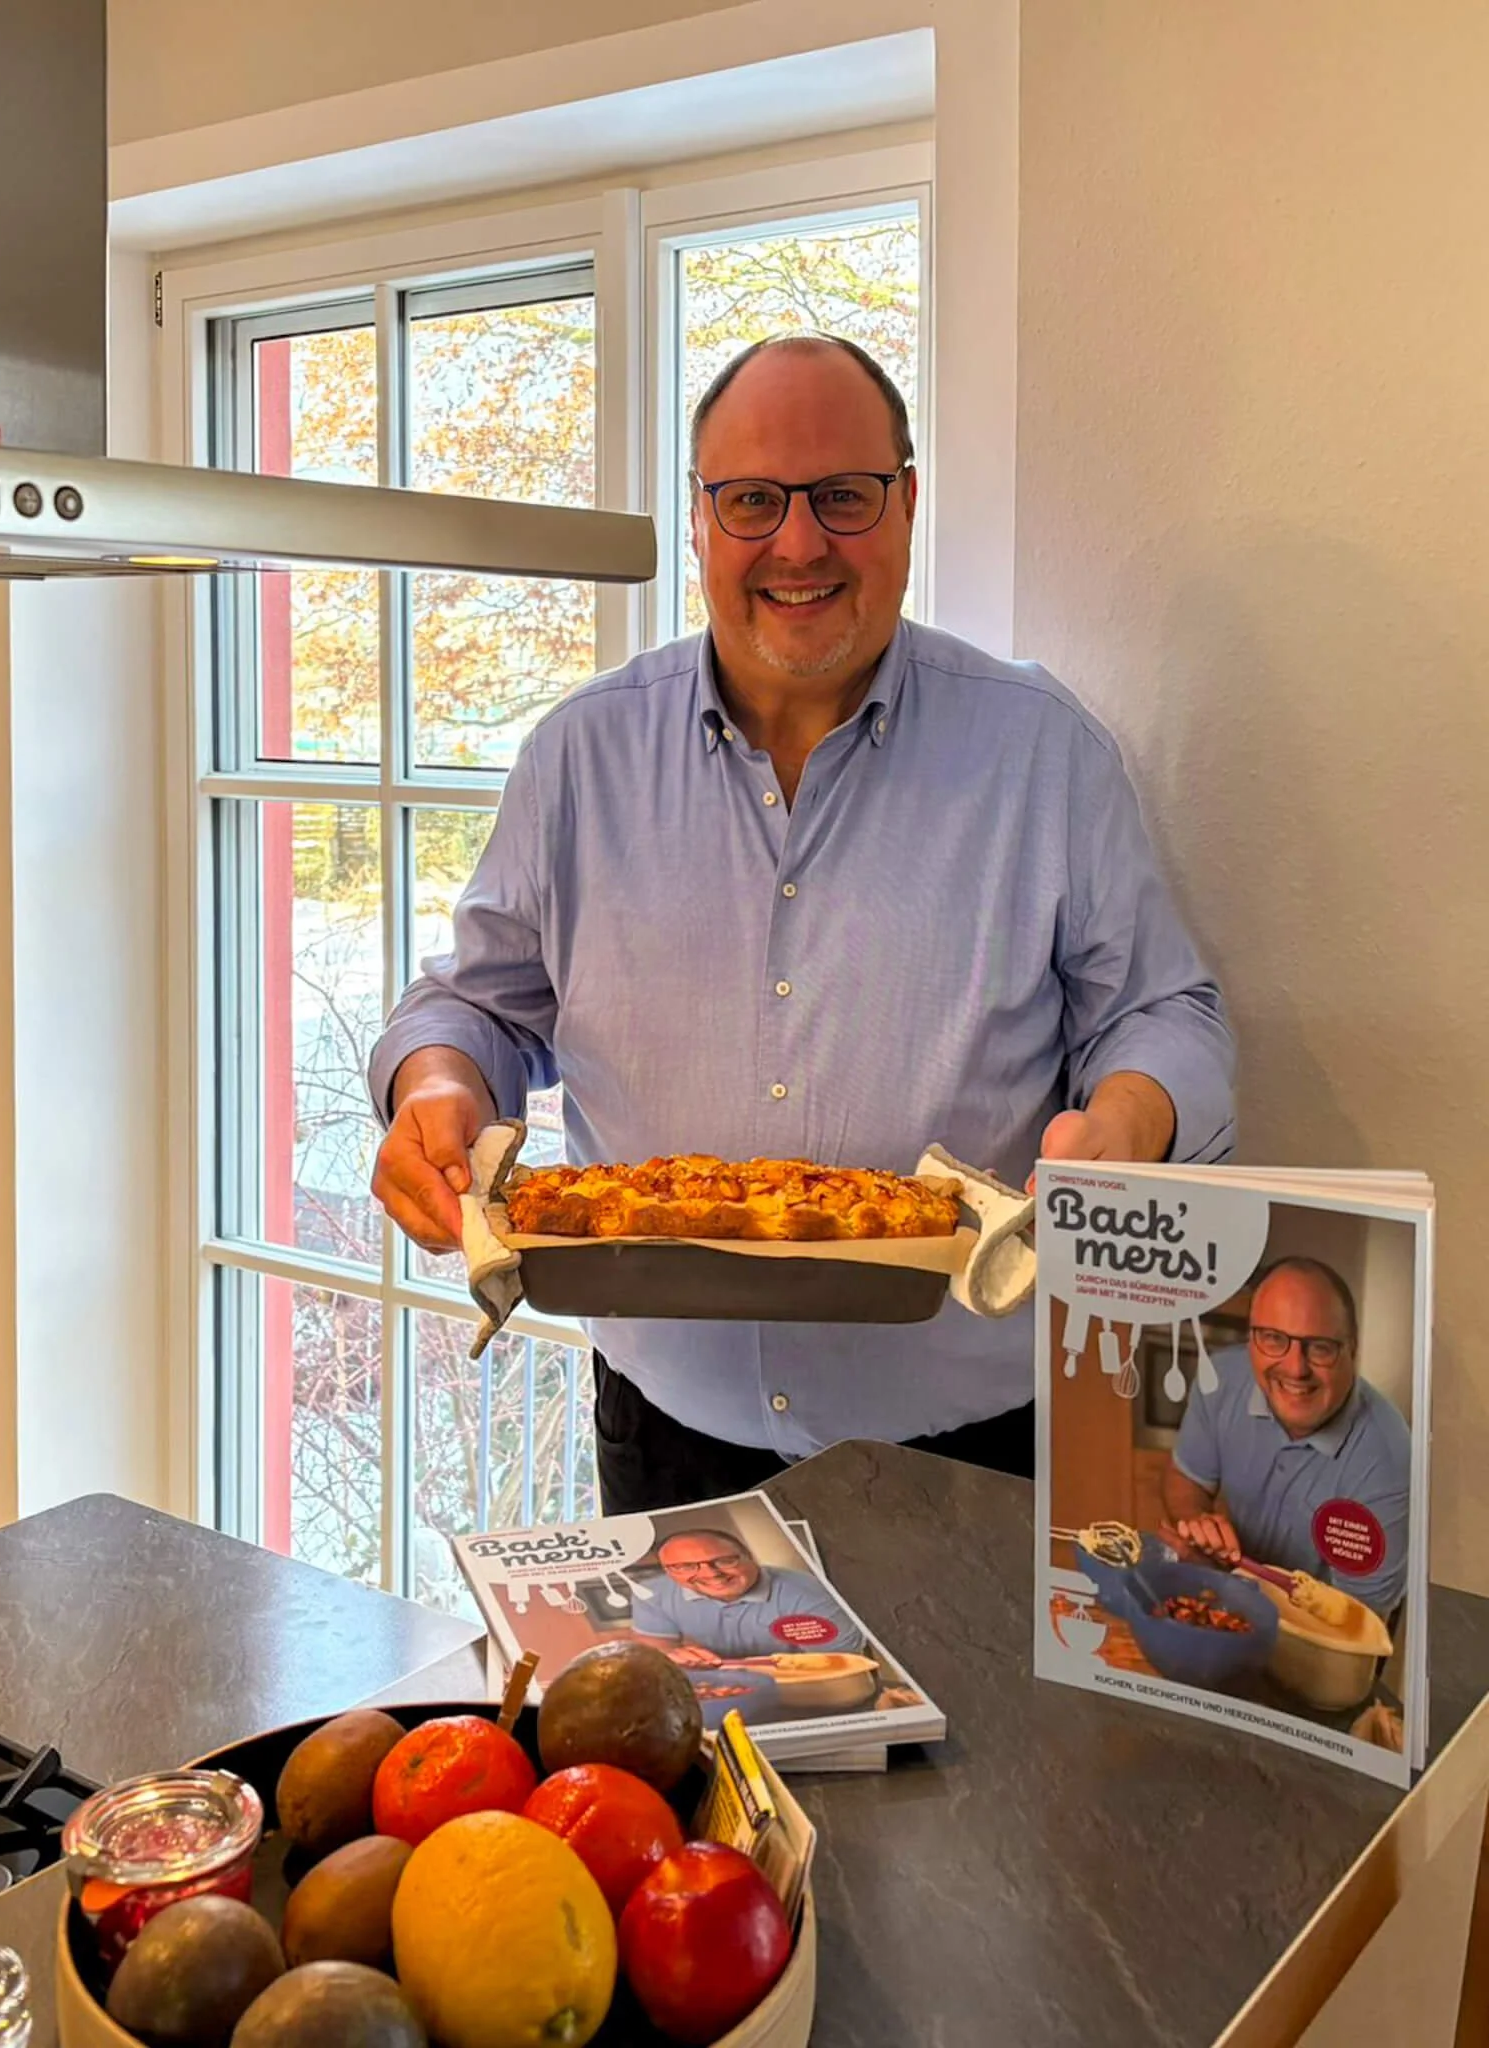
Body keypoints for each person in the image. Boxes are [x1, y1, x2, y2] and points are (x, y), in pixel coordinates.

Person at [368, 333, 1235, 1514]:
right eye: (751, 501)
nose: (796, 541)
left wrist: (1130, 1118)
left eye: (842, 495)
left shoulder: (1042, 751)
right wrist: (435, 1088)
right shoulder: (580, 755)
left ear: (908, 503)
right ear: (697, 520)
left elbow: (1162, 1011)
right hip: (662, 1436)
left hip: (975, 1450)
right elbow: (473, 1004)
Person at [1163, 1258, 1411, 1619]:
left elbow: (1355, 1628)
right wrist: (1198, 1526)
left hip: (1319, 1642)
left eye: (1321, 1346)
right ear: (1251, 1338)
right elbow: (1185, 1479)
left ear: (1352, 1350)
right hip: (1232, 1605)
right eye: (1273, 1338)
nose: (1296, 1368)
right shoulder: (1220, 1379)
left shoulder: (1388, 1457)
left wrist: (1228, 1586)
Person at [629, 1529, 867, 1666]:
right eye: (685, 1566)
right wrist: (672, 1656)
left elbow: (841, 1665)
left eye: (724, 1560)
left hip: (803, 1686)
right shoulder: (651, 1592)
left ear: (750, 1556)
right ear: (668, 1571)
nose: (711, 1574)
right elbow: (654, 1653)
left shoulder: (808, 1592)